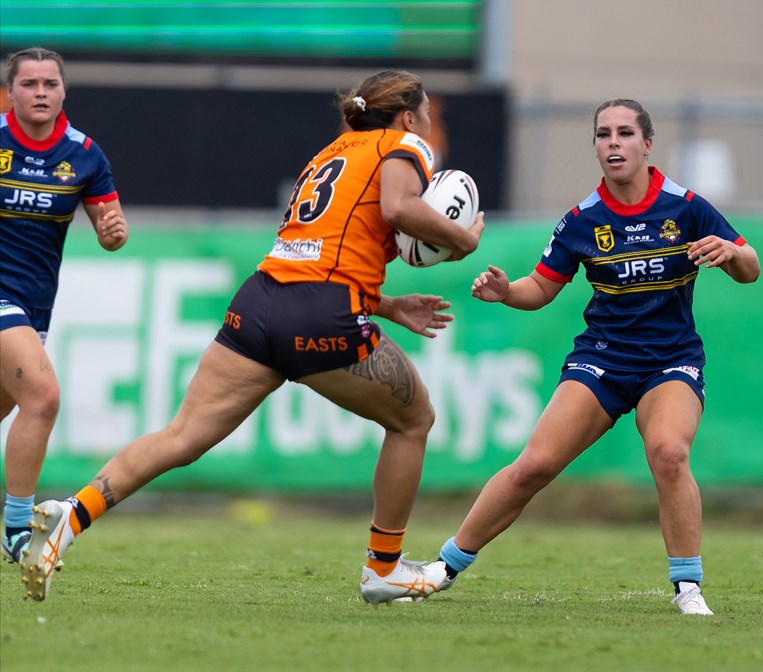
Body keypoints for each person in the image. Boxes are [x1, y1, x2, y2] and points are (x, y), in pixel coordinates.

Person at [20, 68, 485, 604]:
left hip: (262, 301)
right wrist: (463, 241)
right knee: (414, 420)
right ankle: (384, 569)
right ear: (408, 115)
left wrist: (388, 304)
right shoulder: (406, 144)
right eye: (424, 113)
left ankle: (71, 517)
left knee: (182, 435)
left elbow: (313, 253)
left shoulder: (332, 153)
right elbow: (400, 209)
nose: (427, 124)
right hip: (320, 316)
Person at [435, 99, 760, 615]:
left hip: (670, 360)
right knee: (533, 466)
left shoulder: (687, 206)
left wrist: (733, 252)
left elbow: (751, 268)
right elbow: (540, 288)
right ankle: (444, 567)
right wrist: (505, 291)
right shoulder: (582, 219)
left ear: (646, 145)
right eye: (603, 133)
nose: (613, 142)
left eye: (625, 132)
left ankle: (688, 588)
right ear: (595, 147)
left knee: (669, 453)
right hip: (603, 360)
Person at [1, 47, 129, 564]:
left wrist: (114, 233)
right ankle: (16, 529)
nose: (39, 92)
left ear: (63, 93)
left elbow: (109, 229)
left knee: (11, 404)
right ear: (10, 91)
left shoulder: (84, 154)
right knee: (43, 397)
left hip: (34, 305)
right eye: (28, 84)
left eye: (49, 84)